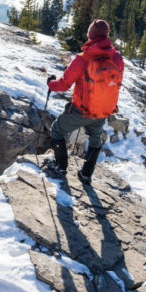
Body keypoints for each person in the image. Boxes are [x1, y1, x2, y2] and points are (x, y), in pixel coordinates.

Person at [45, 19, 124, 185]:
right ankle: (86, 174)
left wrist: (50, 83)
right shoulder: (117, 58)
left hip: (81, 110)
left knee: (57, 130)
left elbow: (64, 84)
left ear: (90, 35)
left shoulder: (83, 59)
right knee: (95, 138)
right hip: (103, 110)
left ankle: (60, 167)